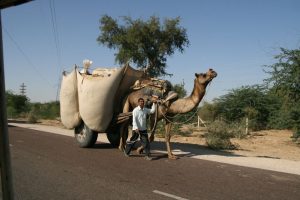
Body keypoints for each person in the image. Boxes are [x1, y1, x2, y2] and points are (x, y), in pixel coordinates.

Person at [124, 96, 157, 160]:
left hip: (143, 129)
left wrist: (154, 103)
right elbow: (134, 120)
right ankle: (126, 152)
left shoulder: (145, 109)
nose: (142, 103)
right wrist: (136, 128)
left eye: (143, 102)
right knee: (132, 141)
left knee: (146, 142)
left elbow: (152, 111)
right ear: (138, 103)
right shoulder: (135, 110)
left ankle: (147, 155)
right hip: (136, 129)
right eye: (141, 102)